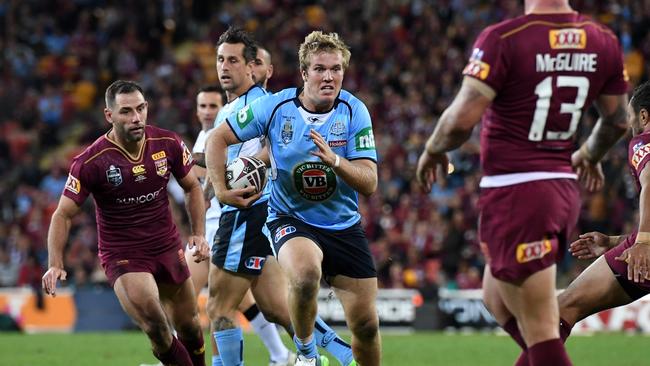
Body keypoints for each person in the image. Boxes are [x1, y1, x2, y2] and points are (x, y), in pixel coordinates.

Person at [415, 1, 629, 365]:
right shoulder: (601, 40)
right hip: (559, 187)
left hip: (519, 190)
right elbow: (617, 121)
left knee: (543, 328)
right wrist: (589, 154)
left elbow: (460, 120)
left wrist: (433, 149)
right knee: (495, 298)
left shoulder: (504, 39)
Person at [206, 30, 380, 366]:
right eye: (319, 69)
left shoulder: (355, 111)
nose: (328, 76)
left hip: (343, 225)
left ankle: (336, 351)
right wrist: (223, 190)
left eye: (335, 69)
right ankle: (305, 353)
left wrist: (337, 162)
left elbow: (370, 183)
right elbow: (217, 139)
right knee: (303, 274)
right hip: (290, 219)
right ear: (304, 73)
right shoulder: (275, 107)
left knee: (367, 326)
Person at [41, 80, 210, 366]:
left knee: (191, 328)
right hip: (124, 255)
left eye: (141, 108)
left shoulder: (167, 143)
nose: (136, 118)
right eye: (126, 111)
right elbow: (62, 214)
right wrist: (55, 262)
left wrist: (198, 234)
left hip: (167, 247)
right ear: (109, 115)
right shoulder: (91, 161)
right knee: (156, 325)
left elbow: (193, 187)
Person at [188, 84, 296, 366]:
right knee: (255, 306)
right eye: (203, 106)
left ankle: (298, 353)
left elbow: (221, 171)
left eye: (213, 106)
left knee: (211, 303)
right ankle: (286, 354)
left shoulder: (248, 116)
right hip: (219, 224)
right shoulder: (208, 136)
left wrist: (180, 159)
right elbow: (206, 184)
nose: (209, 111)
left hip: (239, 219)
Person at [547, 81, 650, 352]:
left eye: (630, 117)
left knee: (560, 311)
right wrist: (616, 240)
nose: (630, 125)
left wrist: (642, 242)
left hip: (646, 250)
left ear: (643, 116)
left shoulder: (644, 142)